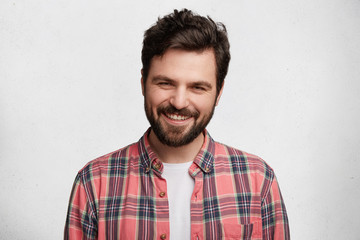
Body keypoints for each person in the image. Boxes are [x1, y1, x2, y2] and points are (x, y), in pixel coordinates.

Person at [64, 9, 290, 240]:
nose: (179, 102)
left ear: (218, 92)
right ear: (143, 83)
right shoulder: (94, 183)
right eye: (165, 83)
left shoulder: (258, 180)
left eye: (197, 87)